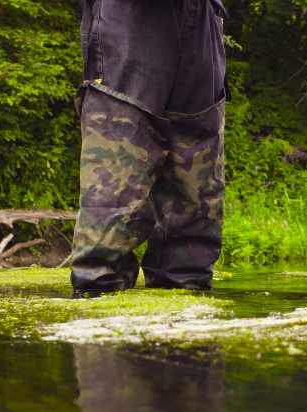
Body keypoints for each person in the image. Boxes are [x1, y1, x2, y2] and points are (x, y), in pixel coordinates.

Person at [70, 0, 228, 296]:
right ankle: (98, 320)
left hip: (202, 22)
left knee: (190, 248)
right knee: (106, 240)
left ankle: (188, 321)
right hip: (128, 24)